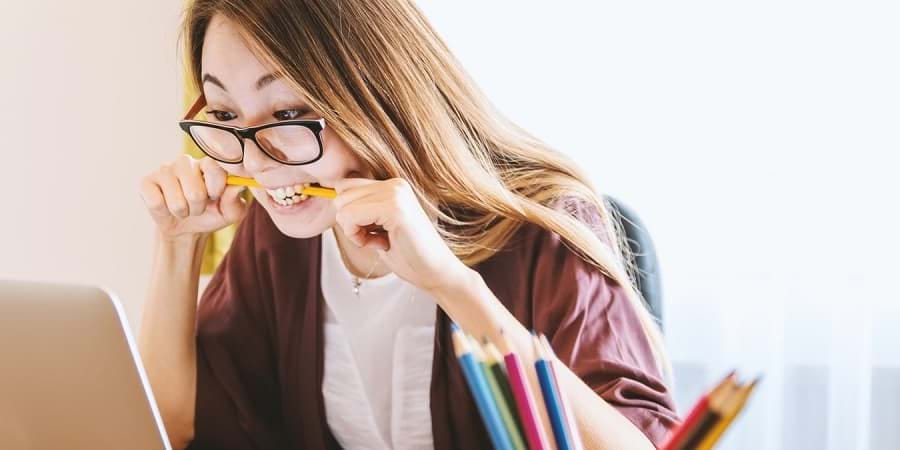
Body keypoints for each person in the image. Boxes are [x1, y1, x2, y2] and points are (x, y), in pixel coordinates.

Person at [138, 1, 679, 449]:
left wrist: (452, 283)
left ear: (376, 94)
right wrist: (177, 245)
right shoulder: (281, 235)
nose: (255, 162)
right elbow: (173, 425)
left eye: (286, 115)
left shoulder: (545, 227)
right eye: (227, 116)